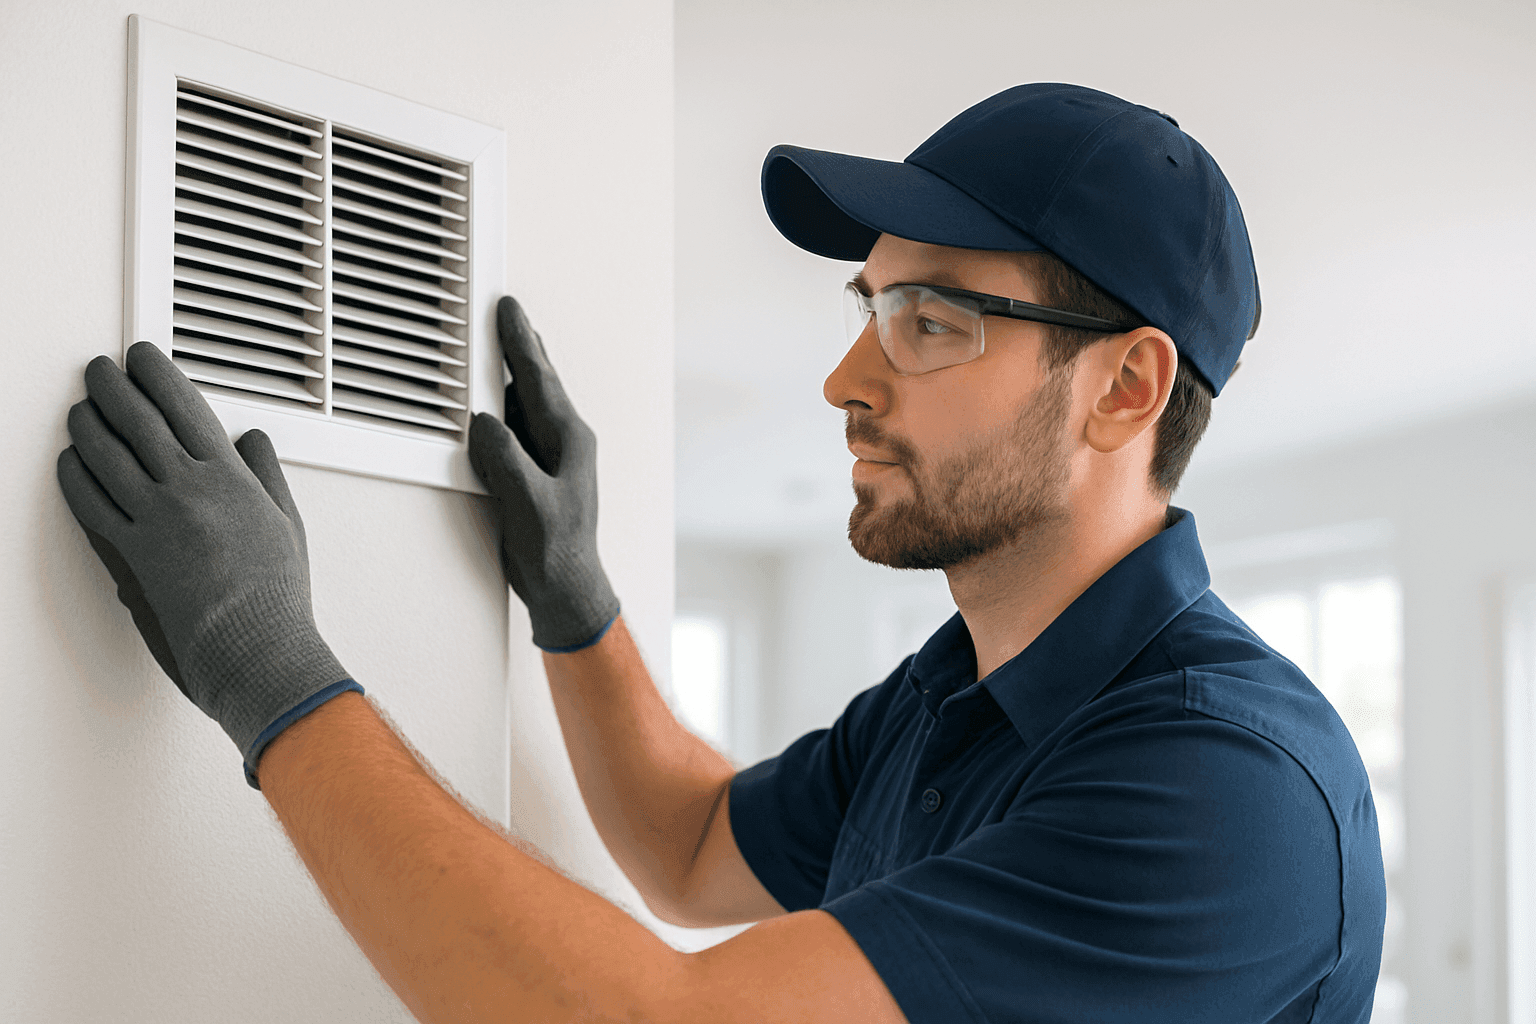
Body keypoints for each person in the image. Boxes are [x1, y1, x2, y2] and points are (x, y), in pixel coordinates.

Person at [57, 82, 1385, 1023]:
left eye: (929, 322)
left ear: (1125, 387)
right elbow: (689, 844)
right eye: (870, 307)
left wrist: (267, 667)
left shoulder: (1230, 788)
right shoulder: (950, 700)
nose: (845, 380)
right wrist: (576, 599)